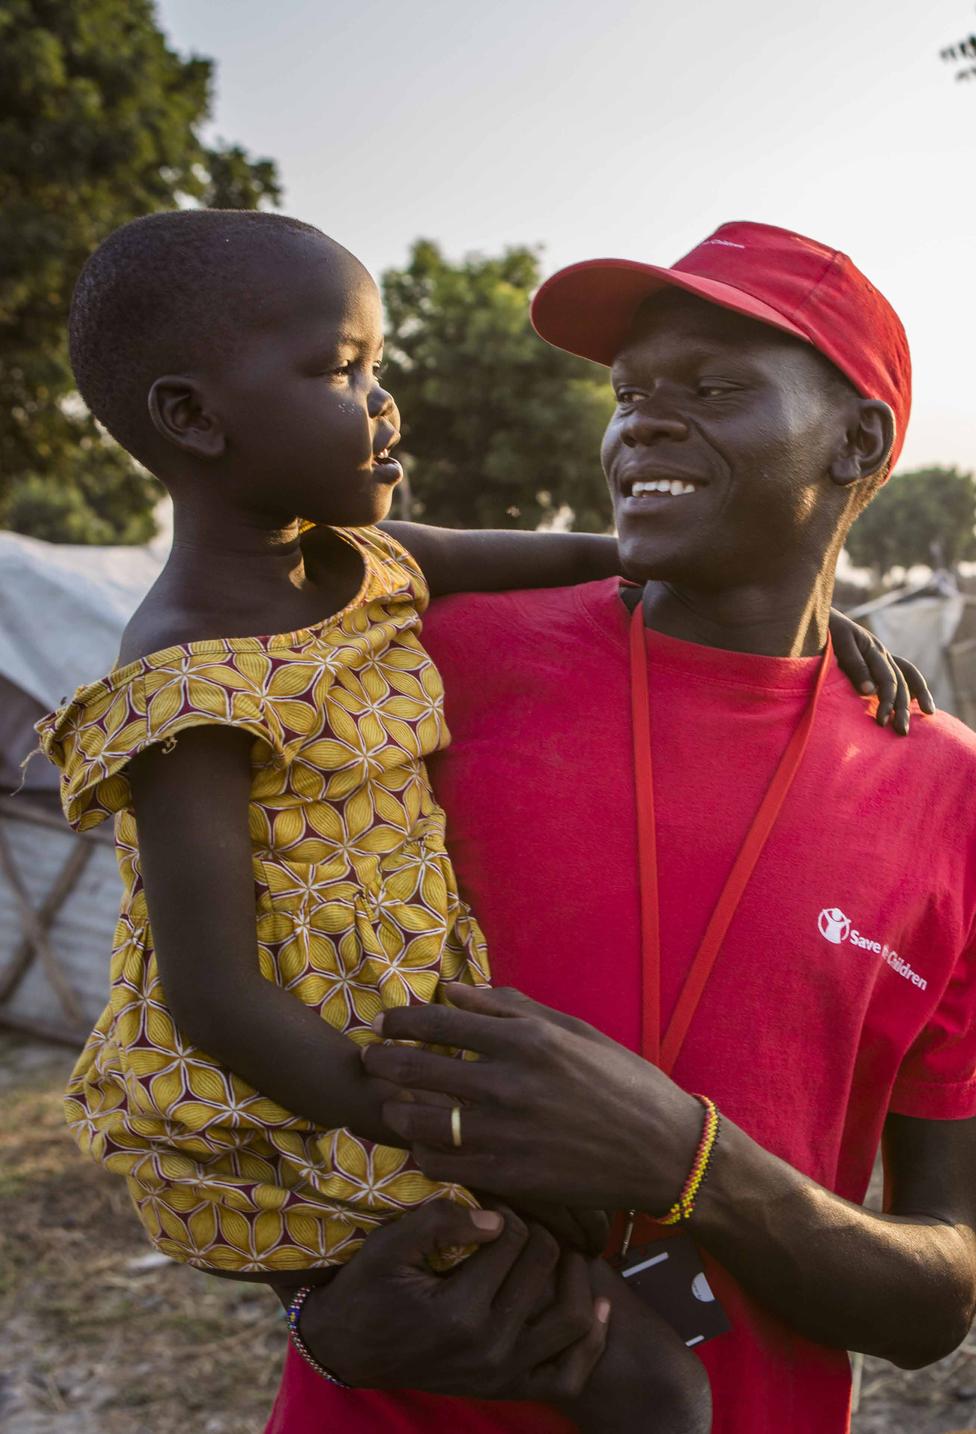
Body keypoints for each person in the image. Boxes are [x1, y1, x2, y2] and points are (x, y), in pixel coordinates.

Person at [35, 211, 920, 1434]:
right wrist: (440, 1130)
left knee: (628, 1321)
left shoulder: (375, 568)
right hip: (327, 1092)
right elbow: (214, 998)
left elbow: (594, 553)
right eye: (342, 371)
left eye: (375, 364)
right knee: (655, 1387)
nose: (383, 399)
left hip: (420, 1065)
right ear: (194, 419)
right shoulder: (190, 679)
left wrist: (807, 599)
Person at [261, 223, 976, 1434]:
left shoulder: (962, 799)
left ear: (860, 441)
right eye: (628, 393)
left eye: (713, 388)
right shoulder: (436, 663)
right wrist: (320, 1318)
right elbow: (223, 1026)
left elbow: (938, 1295)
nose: (640, 423)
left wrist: (689, 1162)